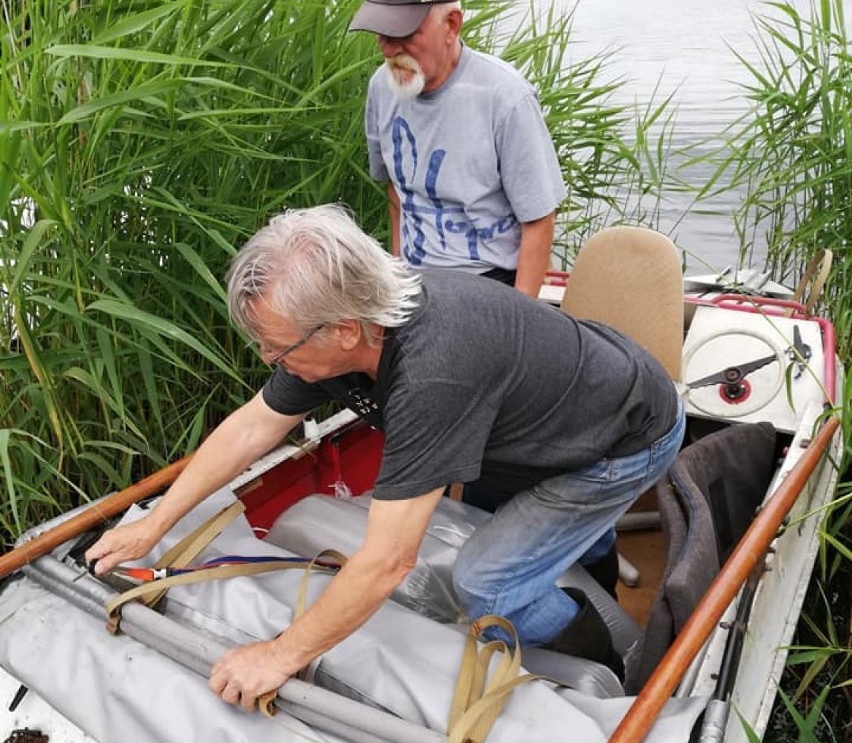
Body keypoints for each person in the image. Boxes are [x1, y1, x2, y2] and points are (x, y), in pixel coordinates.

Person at [86, 204, 684, 708]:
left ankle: (611, 667)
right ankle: (577, 577)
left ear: (344, 330)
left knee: (485, 584)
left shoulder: (433, 375)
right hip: (543, 416)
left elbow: (386, 562)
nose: (270, 359)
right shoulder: (350, 327)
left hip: (620, 440)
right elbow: (253, 427)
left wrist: (278, 655)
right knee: (508, 541)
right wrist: (154, 521)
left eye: (276, 347)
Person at [349, 0, 566, 298]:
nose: (387, 49)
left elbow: (539, 220)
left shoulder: (505, 97)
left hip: (489, 283)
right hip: (415, 280)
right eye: (381, 34)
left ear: (451, 25)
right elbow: (396, 192)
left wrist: (521, 318)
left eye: (401, 34)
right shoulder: (382, 88)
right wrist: (398, 277)